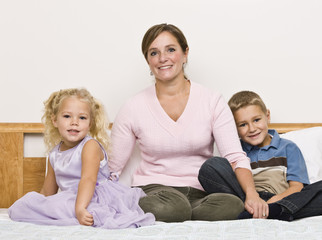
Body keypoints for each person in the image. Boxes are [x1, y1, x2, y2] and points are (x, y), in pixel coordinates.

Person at [109, 23, 267, 222]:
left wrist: (252, 194)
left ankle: (186, 213)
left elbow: (235, 157)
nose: (162, 58)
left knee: (233, 205)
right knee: (173, 207)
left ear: (185, 54)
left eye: (171, 50)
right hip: (155, 191)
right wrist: (92, 195)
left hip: (201, 193)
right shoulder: (133, 106)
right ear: (148, 61)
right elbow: (113, 166)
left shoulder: (212, 100)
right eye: (154, 53)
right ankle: (150, 207)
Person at [8, 88, 155, 228]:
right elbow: (48, 191)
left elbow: (88, 179)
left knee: (74, 207)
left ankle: (78, 211)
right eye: (67, 116)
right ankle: (65, 211)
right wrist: (39, 205)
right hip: (70, 199)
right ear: (54, 120)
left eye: (82, 117)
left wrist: (80, 208)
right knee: (24, 205)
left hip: (93, 198)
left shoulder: (89, 146)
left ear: (90, 123)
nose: (74, 122)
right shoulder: (54, 154)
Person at [199, 90, 322, 221]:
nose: (252, 129)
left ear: (267, 116)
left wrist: (273, 201)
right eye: (243, 125)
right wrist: (254, 200)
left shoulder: (288, 148)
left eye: (256, 120)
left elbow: (296, 187)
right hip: (246, 199)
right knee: (211, 166)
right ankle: (264, 211)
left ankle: (272, 210)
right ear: (233, 127)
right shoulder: (236, 151)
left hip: (281, 199)